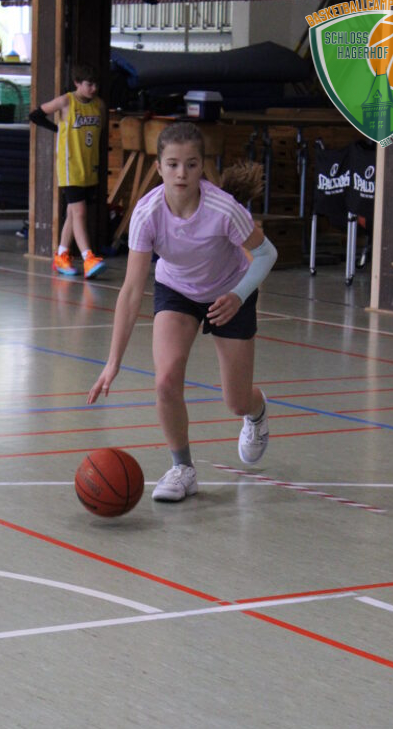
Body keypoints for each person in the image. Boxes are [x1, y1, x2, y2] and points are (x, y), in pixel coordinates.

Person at [88, 121, 278, 502]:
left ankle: (256, 412)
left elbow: (265, 254)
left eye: (191, 165)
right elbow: (131, 291)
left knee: (235, 400)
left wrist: (239, 295)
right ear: (159, 167)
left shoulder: (223, 209)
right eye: (173, 164)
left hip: (230, 293)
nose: (181, 173)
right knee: (165, 380)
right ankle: (183, 469)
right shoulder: (147, 213)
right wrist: (113, 361)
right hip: (176, 291)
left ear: (202, 167)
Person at [28, 63, 106, 279]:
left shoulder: (99, 105)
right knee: (79, 212)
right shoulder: (66, 101)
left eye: (96, 85)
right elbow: (35, 115)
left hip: (89, 166)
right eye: (89, 84)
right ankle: (88, 257)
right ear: (77, 83)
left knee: (73, 213)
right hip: (70, 166)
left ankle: (62, 255)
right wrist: (58, 129)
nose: (93, 89)